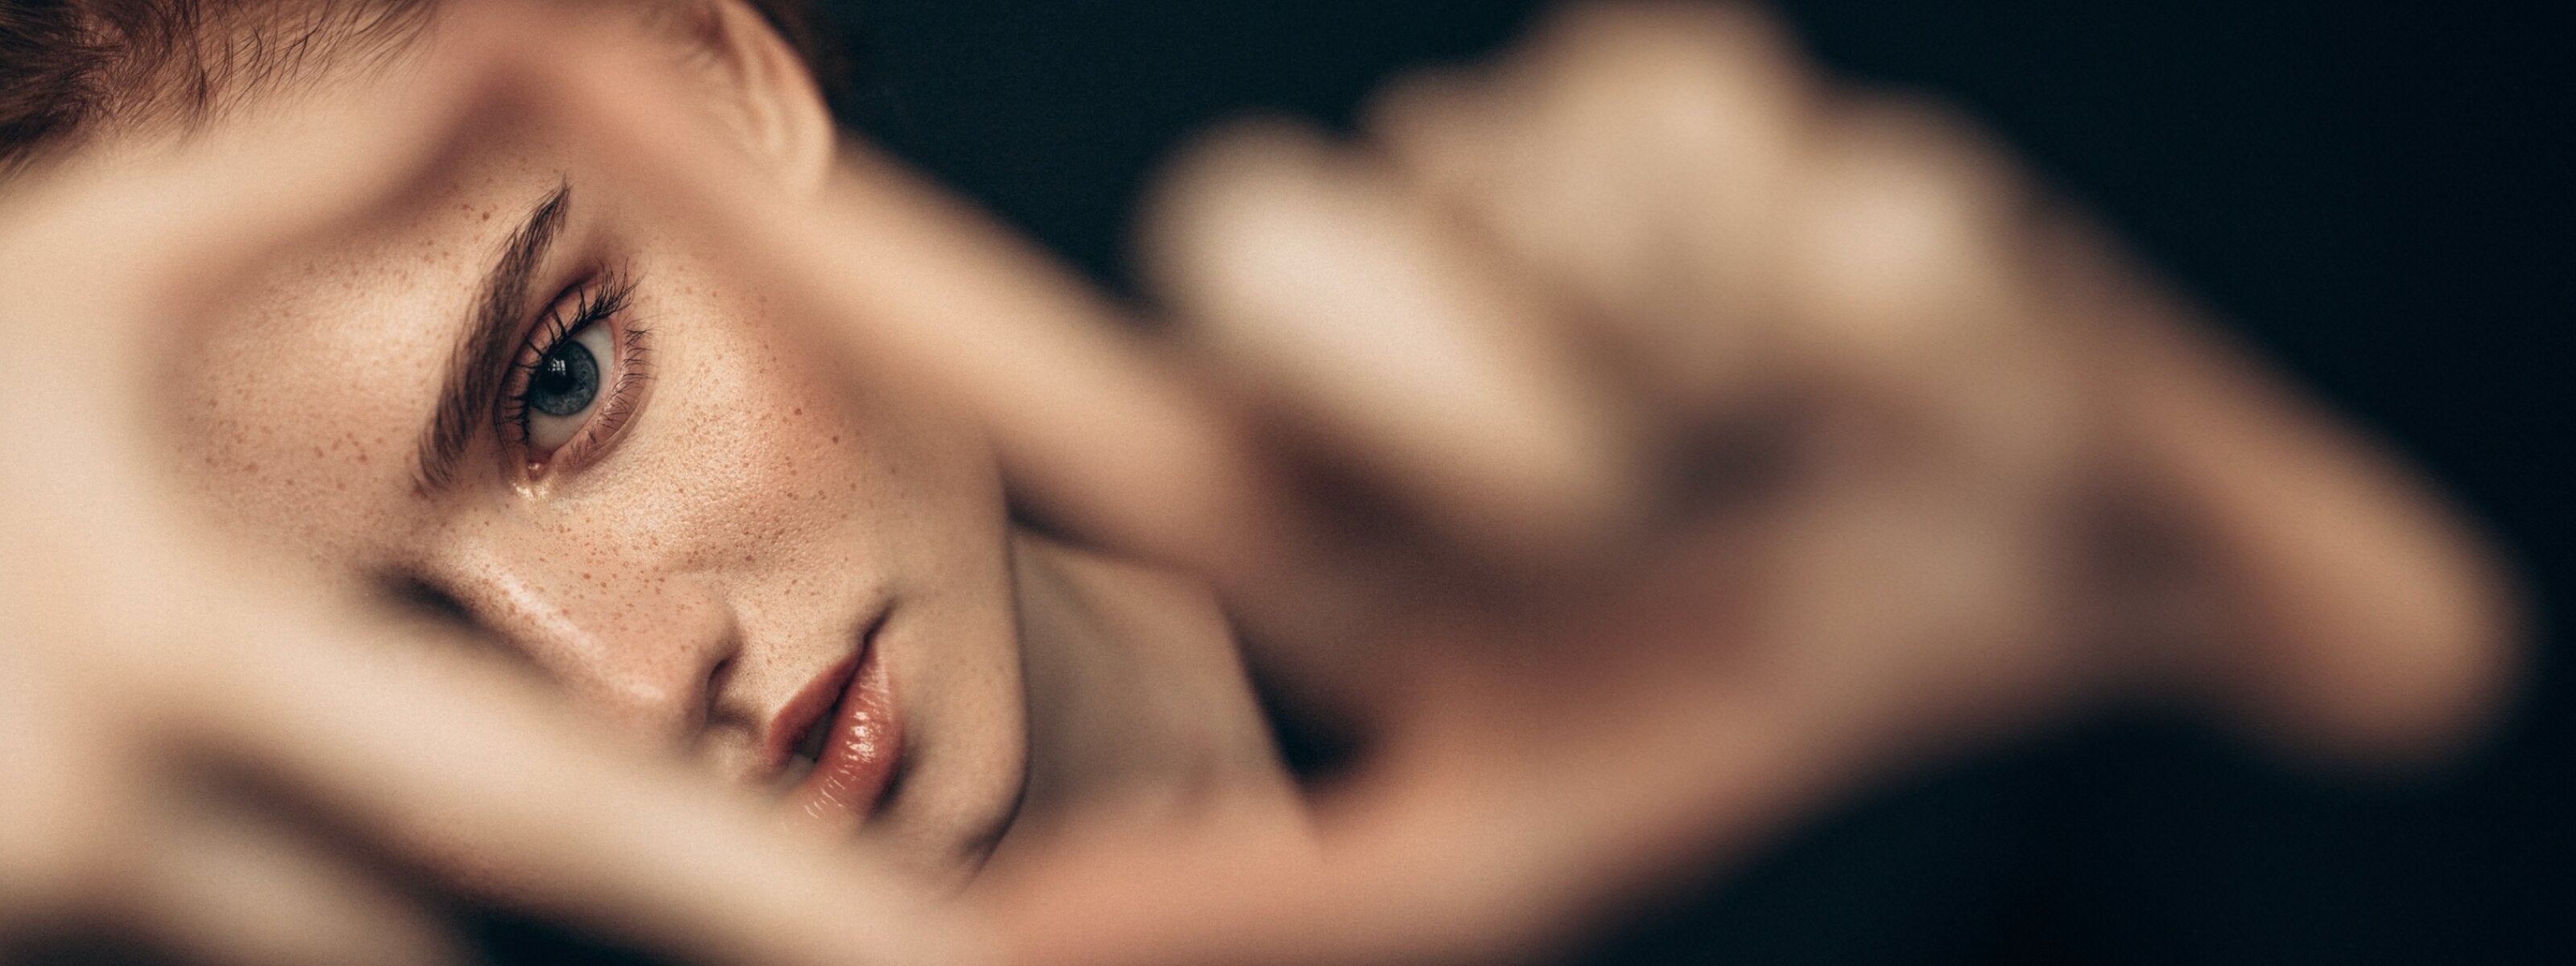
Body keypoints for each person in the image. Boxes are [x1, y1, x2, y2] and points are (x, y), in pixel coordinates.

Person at [0, 1, 2521, 964]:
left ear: (725, 88)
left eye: (563, 379)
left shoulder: (1620, 494)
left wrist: (2186, 520)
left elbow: (2432, 712)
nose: (630, 683)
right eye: (373, 648)